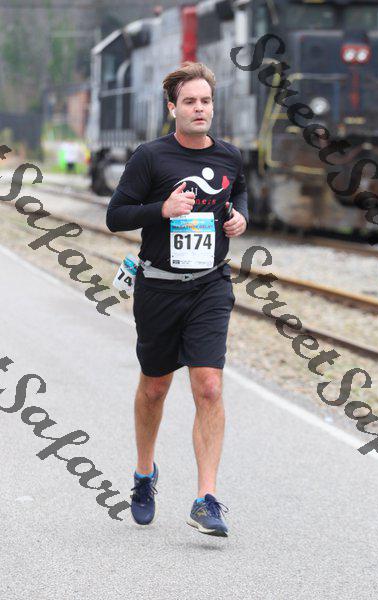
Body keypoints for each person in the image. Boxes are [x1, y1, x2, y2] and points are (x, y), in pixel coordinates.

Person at [106, 62, 248, 537]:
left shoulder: (230, 157)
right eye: (189, 101)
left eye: (205, 101)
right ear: (173, 108)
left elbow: (238, 196)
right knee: (155, 388)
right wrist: (162, 209)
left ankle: (206, 499)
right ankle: (144, 473)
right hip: (159, 287)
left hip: (210, 285)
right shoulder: (150, 157)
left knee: (209, 387)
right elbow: (116, 216)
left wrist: (239, 219)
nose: (199, 108)